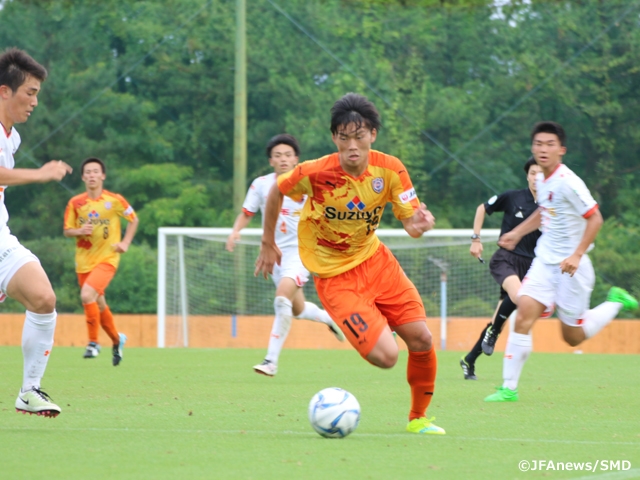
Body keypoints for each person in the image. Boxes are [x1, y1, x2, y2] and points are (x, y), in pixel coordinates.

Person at [255, 93, 445, 435]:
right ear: (334, 138)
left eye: (359, 136)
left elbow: (410, 224)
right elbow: (276, 192)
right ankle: (361, 322)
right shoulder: (315, 172)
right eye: (344, 138)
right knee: (386, 357)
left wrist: (420, 223)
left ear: (373, 134)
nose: (352, 145)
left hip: (376, 262)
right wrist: (267, 242)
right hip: (335, 277)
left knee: (421, 338)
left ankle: (419, 419)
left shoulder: (390, 169)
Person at [485, 121, 638, 402]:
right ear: (533, 148)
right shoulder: (542, 179)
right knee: (524, 312)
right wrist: (516, 233)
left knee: (572, 337)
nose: (543, 149)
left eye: (550, 144)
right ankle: (508, 388)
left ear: (561, 150)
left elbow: (595, 218)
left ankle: (615, 301)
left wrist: (577, 254)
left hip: (573, 268)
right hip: (544, 261)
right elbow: (545, 212)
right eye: (539, 144)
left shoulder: (569, 182)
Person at [226, 134, 345, 376]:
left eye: (288, 155)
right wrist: (235, 231)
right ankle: (330, 318)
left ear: (296, 159)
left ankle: (271, 361)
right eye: (278, 155)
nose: (283, 159)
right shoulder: (260, 185)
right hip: (273, 254)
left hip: (301, 254)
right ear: (271, 160)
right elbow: (247, 213)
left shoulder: (308, 183)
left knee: (281, 300)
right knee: (297, 310)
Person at [0, 47, 73, 417]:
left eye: (37, 95)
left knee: (44, 299)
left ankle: (29, 391)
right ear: (4, 91)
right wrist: (40, 174)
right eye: (30, 93)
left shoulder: (10, 138)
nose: (34, 102)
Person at [460, 157, 542, 380]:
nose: (537, 177)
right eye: (533, 173)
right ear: (527, 175)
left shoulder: (549, 206)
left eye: (542, 173)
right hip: (505, 259)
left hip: (530, 267)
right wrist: (475, 239)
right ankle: (493, 333)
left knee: (500, 317)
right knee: (519, 297)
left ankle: (469, 360)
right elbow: (481, 208)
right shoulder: (513, 197)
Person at [63, 157, 139, 366]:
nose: (91, 175)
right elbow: (67, 231)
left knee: (87, 294)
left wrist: (125, 242)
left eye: (95, 171)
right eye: (87, 172)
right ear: (82, 177)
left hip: (108, 259)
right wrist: (80, 231)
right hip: (83, 262)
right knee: (98, 303)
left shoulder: (114, 200)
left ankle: (93, 343)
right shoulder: (76, 203)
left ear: (103, 175)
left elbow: (134, 220)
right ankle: (117, 340)